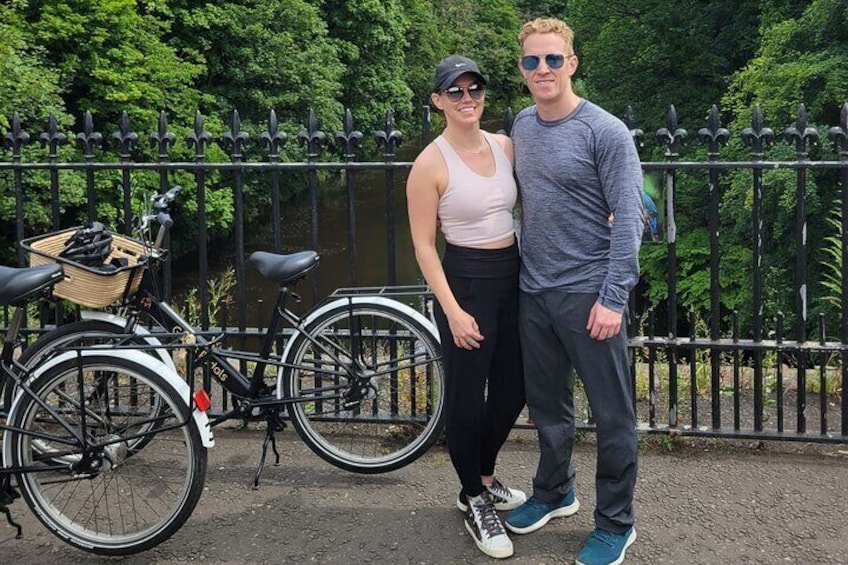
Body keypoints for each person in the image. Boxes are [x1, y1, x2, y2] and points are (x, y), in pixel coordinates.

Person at [504, 18, 644, 565]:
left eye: (553, 60)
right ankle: (555, 491)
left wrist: (613, 297)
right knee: (548, 407)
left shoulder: (603, 131)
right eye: (532, 61)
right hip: (534, 290)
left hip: (589, 293)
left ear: (572, 63)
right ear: (522, 68)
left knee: (613, 417)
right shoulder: (521, 124)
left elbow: (630, 216)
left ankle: (616, 522)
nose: (543, 70)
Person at [406, 54, 527, 560]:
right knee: (464, 393)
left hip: (514, 274)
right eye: (454, 91)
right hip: (466, 283)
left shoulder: (505, 146)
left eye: (474, 88)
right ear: (438, 101)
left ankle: (481, 476)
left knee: (515, 385)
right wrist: (453, 310)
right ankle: (475, 500)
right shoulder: (429, 164)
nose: (467, 98)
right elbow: (424, 246)